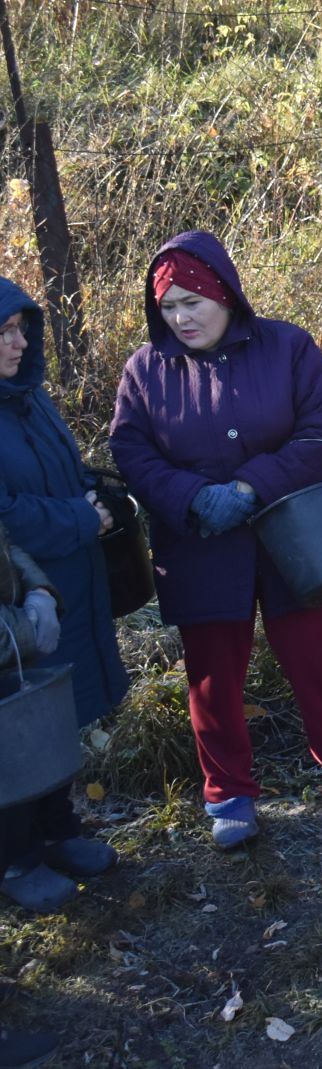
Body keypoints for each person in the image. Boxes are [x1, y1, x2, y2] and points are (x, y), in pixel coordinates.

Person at [110, 234, 322, 847]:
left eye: (193, 302)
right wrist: (190, 498)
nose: (181, 318)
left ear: (225, 295)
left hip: (298, 537)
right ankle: (229, 794)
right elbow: (129, 449)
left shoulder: (287, 346)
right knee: (212, 678)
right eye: (168, 308)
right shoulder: (145, 370)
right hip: (200, 547)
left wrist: (248, 488)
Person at [0, 277, 127, 909]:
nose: (18, 342)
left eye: (22, 328)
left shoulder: (29, 397)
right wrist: (84, 520)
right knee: (16, 723)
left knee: (56, 710)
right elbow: (4, 515)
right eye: (3, 332)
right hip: (15, 594)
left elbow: (63, 473)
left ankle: (58, 831)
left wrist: (99, 498)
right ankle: (16, 861)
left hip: (67, 582)